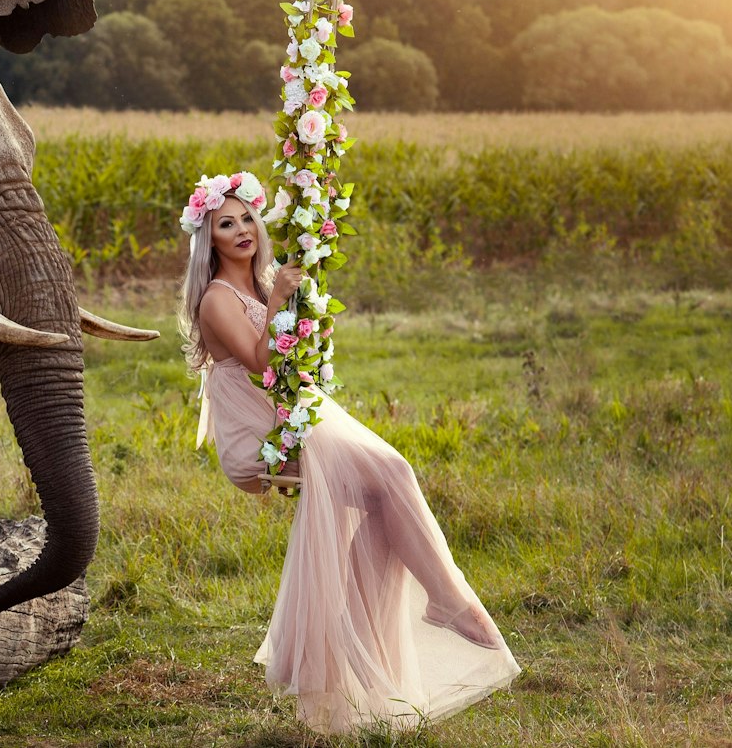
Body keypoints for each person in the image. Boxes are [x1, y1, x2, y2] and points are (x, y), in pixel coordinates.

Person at [181, 174, 520, 733]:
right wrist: (279, 299)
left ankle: (361, 648)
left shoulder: (265, 279)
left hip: (291, 416)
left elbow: (294, 359)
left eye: (247, 219)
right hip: (258, 436)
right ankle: (441, 601)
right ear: (208, 238)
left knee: (387, 488)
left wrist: (303, 311)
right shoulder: (218, 298)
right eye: (226, 223)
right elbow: (264, 363)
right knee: (390, 472)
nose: (242, 230)